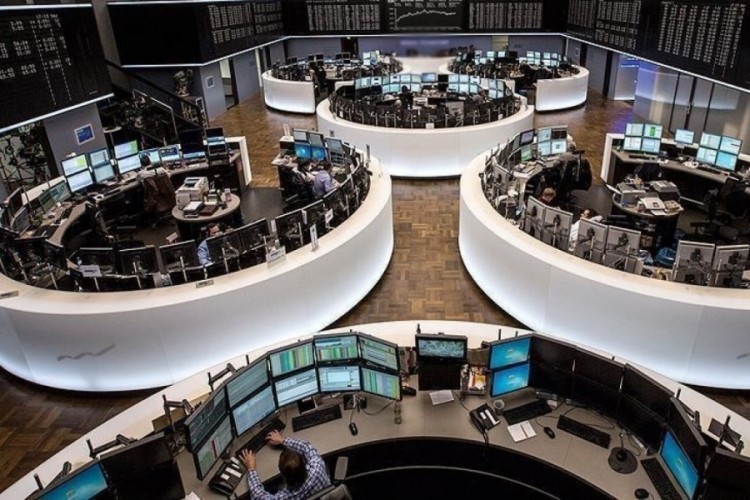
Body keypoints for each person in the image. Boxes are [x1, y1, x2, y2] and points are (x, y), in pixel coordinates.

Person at [240, 430, 330, 499]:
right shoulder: (318, 466)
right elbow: (306, 447)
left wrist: (251, 469)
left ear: (284, 477)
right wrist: (283, 440)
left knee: (271, 487)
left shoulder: (283, 497)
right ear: (304, 462)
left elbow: (259, 496)